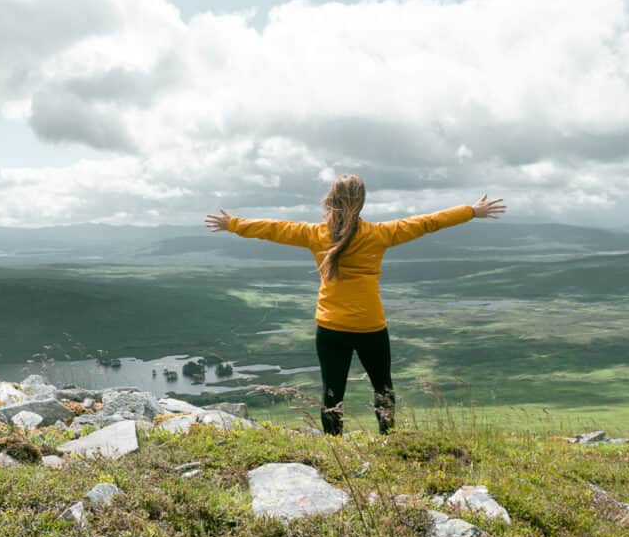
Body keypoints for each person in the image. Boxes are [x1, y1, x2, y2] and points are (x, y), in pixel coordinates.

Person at [204, 174, 506, 435]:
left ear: (330, 199)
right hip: (370, 326)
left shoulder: (314, 234)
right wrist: (471, 211)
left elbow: (274, 228)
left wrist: (233, 224)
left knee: (332, 393)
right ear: (361, 202)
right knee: (383, 388)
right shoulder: (379, 234)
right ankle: (388, 440)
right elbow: (427, 223)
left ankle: (335, 447)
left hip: (330, 327)